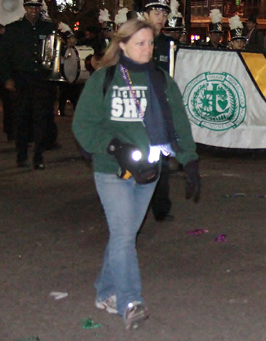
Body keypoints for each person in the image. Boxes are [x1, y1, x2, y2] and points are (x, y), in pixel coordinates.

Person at [72, 19, 200, 330]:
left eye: (150, 43)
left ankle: (105, 291)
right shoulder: (104, 79)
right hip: (111, 170)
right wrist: (114, 146)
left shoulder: (161, 81)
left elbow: (178, 124)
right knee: (124, 235)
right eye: (140, 43)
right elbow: (83, 126)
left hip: (149, 171)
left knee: (124, 233)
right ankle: (130, 301)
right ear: (123, 45)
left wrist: (190, 161)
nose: (147, 49)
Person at [0, 0, 57, 169]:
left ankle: (38, 156)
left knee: (41, 119)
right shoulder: (14, 29)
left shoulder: (47, 27)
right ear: (25, 7)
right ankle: (21, 154)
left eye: (37, 7)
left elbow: (54, 52)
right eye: (31, 7)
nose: (34, 11)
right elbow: (4, 56)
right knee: (21, 118)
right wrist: (7, 78)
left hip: (40, 78)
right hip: (21, 78)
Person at [142, 0, 178, 221]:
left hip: (160, 111)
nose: (161, 17)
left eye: (164, 12)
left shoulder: (168, 44)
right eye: (156, 11)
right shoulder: (132, 39)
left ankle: (160, 204)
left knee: (161, 160)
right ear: (144, 13)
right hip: (135, 110)